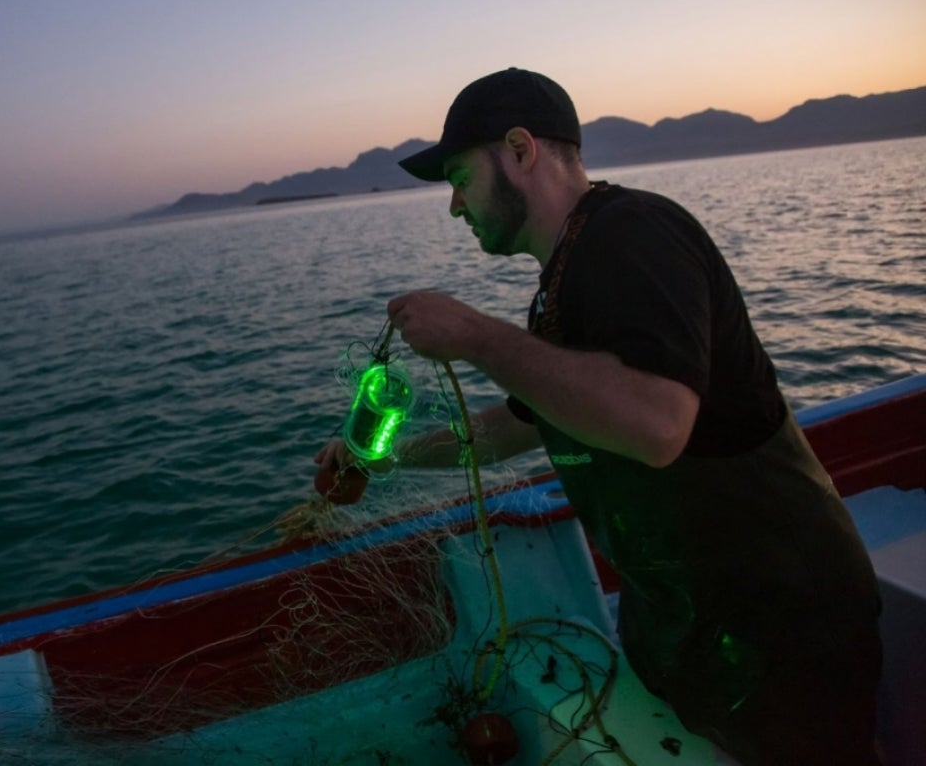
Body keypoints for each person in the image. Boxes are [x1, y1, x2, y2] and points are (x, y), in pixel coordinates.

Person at [314, 68, 883, 765]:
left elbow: (657, 424)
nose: (455, 206)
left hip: (780, 626)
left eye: (460, 176)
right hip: (690, 632)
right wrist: (385, 455)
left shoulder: (634, 233)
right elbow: (521, 423)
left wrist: (476, 335)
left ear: (520, 150)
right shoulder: (561, 286)